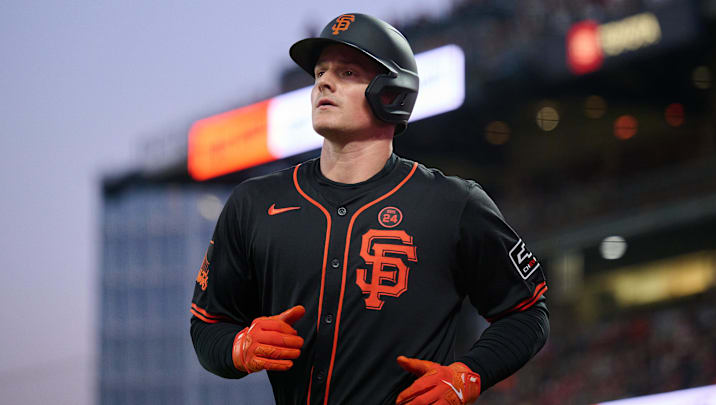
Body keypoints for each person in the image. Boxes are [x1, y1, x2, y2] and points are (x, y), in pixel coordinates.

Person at [190, 13, 549, 405]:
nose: (323, 82)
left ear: (391, 92)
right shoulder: (254, 203)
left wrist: (470, 373)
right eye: (320, 72)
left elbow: (528, 313)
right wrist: (238, 348)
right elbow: (208, 326)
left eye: (346, 73)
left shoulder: (452, 203)